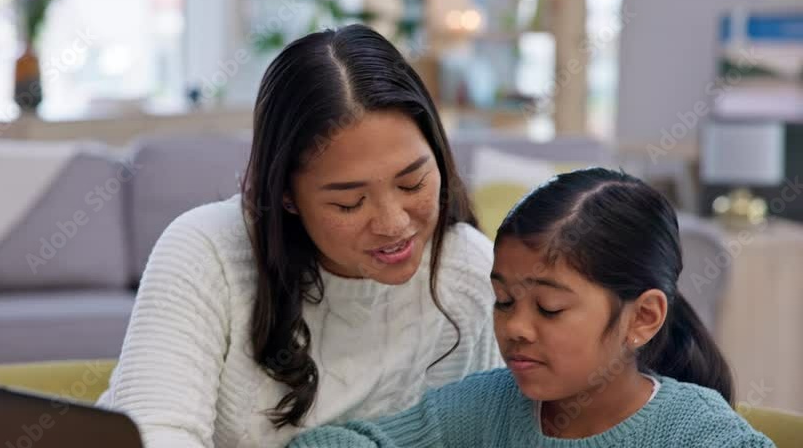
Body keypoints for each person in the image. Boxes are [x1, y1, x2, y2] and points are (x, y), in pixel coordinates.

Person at [96, 24, 503, 447]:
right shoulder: (205, 252)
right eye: (349, 203)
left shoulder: (470, 275)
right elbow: (156, 435)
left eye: (413, 183)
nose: (394, 224)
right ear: (287, 196)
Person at [289, 168, 774, 447]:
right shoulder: (484, 408)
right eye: (503, 301)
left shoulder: (696, 432)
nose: (515, 328)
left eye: (549, 308)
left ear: (642, 318)